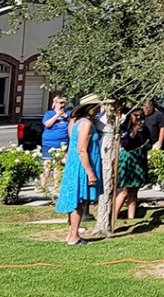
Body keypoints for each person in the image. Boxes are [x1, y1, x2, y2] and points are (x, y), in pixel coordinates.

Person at [55, 94, 104, 245]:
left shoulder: (76, 121)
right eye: (96, 106)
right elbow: (82, 150)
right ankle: (74, 236)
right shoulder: (85, 124)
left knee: (77, 201)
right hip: (81, 167)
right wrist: (90, 172)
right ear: (90, 108)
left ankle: (71, 234)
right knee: (78, 201)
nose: (99, 109)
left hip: (75, 165)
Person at [115, 106, 151, 220]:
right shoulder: (125, 128)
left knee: (135, 190)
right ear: (130, 116)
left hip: (139, 158)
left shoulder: (145, 129)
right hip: (128, 158)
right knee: (125, 190)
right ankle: (114, 216)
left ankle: (131, 217)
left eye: (141, 116)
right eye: (136, 115)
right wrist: (134, 131)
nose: (139, 118)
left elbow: (149, 140)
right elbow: (125, 143)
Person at [41, 96, 70, 189]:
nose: (63, 105)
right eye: (61, 102)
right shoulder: (49, 114)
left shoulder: (68, 114)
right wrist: (57, 115)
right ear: (55, 103)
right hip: (49, 143)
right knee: (47, 165)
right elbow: (47, 124)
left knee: (58, 166)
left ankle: (56, 186)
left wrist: (68, 118)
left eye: (64, 103)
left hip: (62, 144)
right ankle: (42, 185)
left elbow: (75, 123)